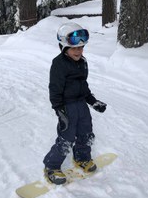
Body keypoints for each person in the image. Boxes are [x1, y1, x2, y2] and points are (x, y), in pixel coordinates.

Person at [43, 22, 107, 185]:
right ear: (64, 48)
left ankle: (82, 158)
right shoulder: (59, 64)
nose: (79, 51)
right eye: (75, 49)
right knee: (66, 138)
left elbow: (83, 86)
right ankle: (51, 166)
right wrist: (60, 111)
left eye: (81, 48)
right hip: (67, 107)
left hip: (81, 106)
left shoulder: (82, 62)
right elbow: (54, 89)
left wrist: (93, 101)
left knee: (86, 133)